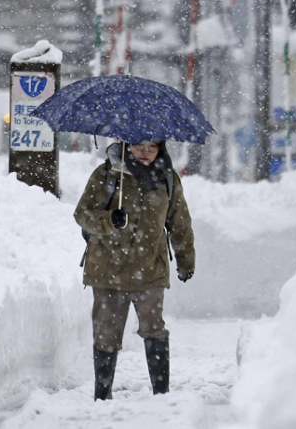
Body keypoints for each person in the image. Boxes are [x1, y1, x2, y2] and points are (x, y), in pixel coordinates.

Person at [74, 140, 196, 400]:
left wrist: (186, 261)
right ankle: (102, 395)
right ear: (127, 145)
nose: (145, 153)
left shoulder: (168, 179)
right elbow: (82, 214)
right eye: (139, 146)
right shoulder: (106, 175)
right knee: (106, 334)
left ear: (160, 149)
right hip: (108, 270)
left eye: (152, 147)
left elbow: (179, 222)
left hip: (150, 268)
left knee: (155, 329)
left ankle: (161, 393)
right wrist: (108, 220)